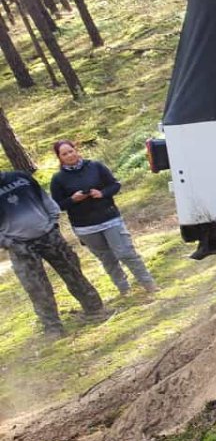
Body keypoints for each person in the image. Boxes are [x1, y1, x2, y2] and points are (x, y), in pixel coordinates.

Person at [1, 168, 106, 338]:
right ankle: (53, 328)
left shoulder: (20, 177)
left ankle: (95, 310)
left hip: (49, 235)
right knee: (37, 288)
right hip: (19, 246)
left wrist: (54, 224)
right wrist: (7, 243)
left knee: (73, 273)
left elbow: (45, 199)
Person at [49, 140, 158, 295]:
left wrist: (102, 193)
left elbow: (115, 185)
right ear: (59, 157)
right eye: (64, 154)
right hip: (85, 226)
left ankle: (149, 284)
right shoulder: (58, 179)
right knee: (107, 259)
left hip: (109, 218)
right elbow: (57, 205)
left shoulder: (95, 166)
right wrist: (73, 199)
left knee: (126, 253)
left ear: (76, 150)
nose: (69, 155)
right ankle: (124, 289)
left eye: (71, 151)